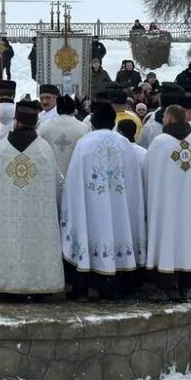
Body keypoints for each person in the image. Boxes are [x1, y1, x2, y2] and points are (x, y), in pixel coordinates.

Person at [0, 101, 64, 296]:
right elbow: (56, 186)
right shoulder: (44, 150)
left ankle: (2, 280)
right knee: (35, 241)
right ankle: (38, 282)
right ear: (36, 123)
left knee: (7, 239)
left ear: (16, 121)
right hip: (37, 217)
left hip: (5, 215)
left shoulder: (2, 149)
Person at [60, 103, 146, 300]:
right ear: (113, 122)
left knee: (89, 234)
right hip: (119, 206)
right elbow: (133, 181)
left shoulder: (85, 143)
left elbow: (74, 181)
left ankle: (82, 287)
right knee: (118, 232)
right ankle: (115, 287)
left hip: (91, 206)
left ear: (93, 122)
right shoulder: (124, 144)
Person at [144, 105, 191, 302]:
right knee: (188, 237)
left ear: (170, 118)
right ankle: (187, 284)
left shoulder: (160, 142)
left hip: (166, 203)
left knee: (167, 238)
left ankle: (166, 284)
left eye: (165, 117)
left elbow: (147, 169)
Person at [37, 95, 89, 178]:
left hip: (51, 174)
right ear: (73, 110)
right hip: (75, 175)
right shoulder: (83, 127)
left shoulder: (44, 127)